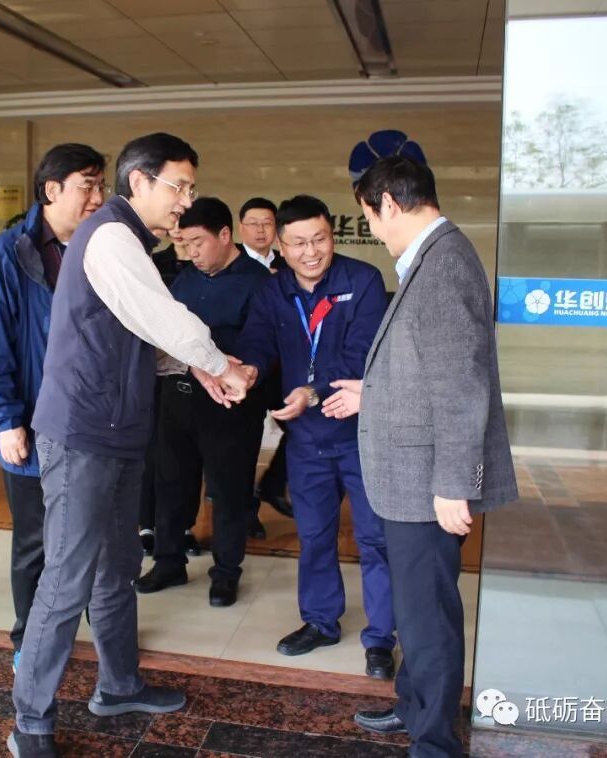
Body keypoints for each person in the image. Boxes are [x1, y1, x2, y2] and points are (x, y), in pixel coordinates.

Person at [8, 133, 253, 758]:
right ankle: (29, 721)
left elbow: (139, 335)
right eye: (179, 186)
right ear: (139, 181)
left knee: (116, 568)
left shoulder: (130, 241)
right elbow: (162, 317)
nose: (186, 201)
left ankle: (117, 686)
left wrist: (198, 368)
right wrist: (218, 363)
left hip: (116, 433)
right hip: (82, 434)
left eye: (192, 188)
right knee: (67, 577)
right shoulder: (111, 236)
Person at [335, 156, 517, 756]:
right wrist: (374, 389)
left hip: (427, 483)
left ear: (388, 203)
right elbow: (426, 370)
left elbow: (462, 387)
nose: (373, 229)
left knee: (428, 617)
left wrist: (454, 484)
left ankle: (435, 742)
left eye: (370, 217)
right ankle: (414, 709)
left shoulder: (443, 265)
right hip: (413, 479)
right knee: (417, 610)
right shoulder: (433, 259)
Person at [233, 194, 397, 679]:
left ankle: (381, 638)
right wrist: (248, 369)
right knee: (315, 535)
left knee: (375, 539)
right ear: (281, 246)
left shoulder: (362, 281)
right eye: (299, 243)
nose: (311, 252)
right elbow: (258, 340)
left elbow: (362, 351)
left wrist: (312, 390)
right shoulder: (273, 291)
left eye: (320, 239)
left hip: (360, 434)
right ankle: (321, 621)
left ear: (332, 236)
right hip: (306, 439)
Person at [0, 143, 107, 675]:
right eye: (87, 186)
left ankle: (97, 630)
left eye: (101, 186)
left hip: (92, 422)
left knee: (93, 535)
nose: (98, 197)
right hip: (30, 422)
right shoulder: (9, 253)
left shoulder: (102, 248)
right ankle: (29, 639)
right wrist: (4, 420)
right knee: (34, 542)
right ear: (51, 190)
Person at [134, 197, 269, 607]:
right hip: (178, 399)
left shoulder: (258, 283)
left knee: (229, 491)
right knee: (171, 483)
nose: (191, 253)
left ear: (225, 235)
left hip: (230, 405)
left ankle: (226, 572)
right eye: (185, 244)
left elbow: (260, 341)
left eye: (198, 243)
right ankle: (169, 562)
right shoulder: (185, 281)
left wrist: (244, 370)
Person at [140, 225, 201, 558]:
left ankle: (185, 526)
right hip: (152, 370)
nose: (179, 232)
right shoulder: (151, 263)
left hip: (193, 371)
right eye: (175, 224)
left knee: (188, 454)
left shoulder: (204, 266)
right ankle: (146, 524)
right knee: (151, 449)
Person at [237, 198, 293, 538]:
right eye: (253, 223)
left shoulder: (289, 265)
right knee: (245, 444)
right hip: (247, 368)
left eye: (267, 223)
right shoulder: (234, 265)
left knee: (299, 427)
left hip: (285, 367)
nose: (260, 230)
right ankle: (246, 513)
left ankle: (273, 484)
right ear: (240, 227)